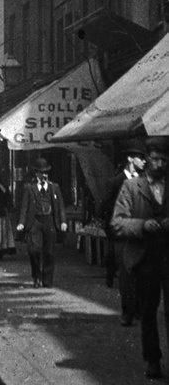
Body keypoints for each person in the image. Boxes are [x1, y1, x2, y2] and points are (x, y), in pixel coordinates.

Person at [111, 137, 169, 380]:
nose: (158, 164)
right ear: (146, 160)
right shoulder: (132, 187)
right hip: (144, 258)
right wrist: (143, 225)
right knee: (148, 312)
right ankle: (152, 360)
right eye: (154, 159)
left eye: (163, 160)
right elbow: (117, 223)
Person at [100, 140, 145, 325]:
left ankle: (140, 311)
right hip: (122, 237)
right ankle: (128, 312)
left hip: (141, 236)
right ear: (130, 159)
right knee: (126, 276)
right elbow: (103, 209)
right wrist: (112, 232)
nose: (144, 161)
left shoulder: (144, 181)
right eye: (140, 158)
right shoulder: (115, 182)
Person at [16, 157, 67, 288]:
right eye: (42, 172)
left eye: (46, 172)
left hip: (49, 220)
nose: (44, 175)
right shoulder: (29, 187)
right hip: (35, 222)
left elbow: (60, 206)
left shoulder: (54, 187)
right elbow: (24, 207)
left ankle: (47, 280)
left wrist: (63, 221)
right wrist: (22, 222)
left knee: (49, 252)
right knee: (34, 250)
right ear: (36, 173)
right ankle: (36, 276)